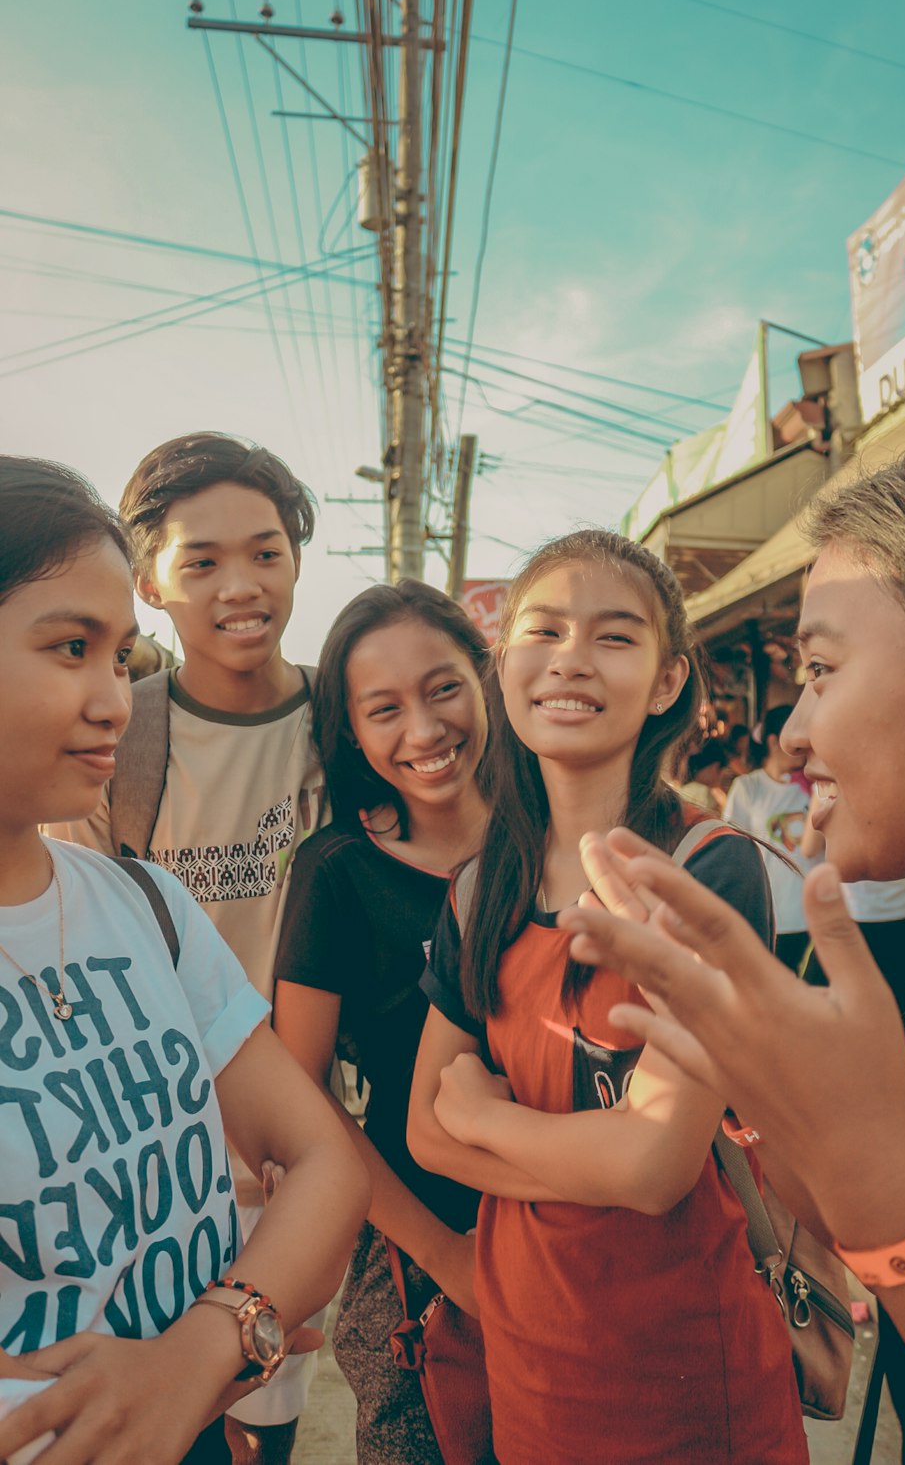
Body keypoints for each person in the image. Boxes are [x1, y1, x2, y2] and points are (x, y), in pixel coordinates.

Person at [556, 428, 905, 1464]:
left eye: (819, 670)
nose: (791, 733)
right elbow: (895, 1261)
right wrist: (755, 1083)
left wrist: (883, 1183)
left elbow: (896, 1223)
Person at [407, 529, 807, 1465]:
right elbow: (426, 1134)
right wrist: (598, 1156)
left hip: (686, 1372)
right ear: (505, 665)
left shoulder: (707, 870)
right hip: (530, 1361)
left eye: (615, 637)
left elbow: (657, 1169)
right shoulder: (479, 889)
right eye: (542, 631)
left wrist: (487, 1119)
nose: (572, 659)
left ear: (667, 683)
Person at [0, 456, 370, 1465]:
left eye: (118, 657)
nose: (112, 700)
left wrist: (213, 1349)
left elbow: (328, 1158)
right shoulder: (143, 772)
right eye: (71, 647)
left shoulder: (144, 908)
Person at [271, 582, 491, 1464]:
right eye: (385, 709)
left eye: (443, 689)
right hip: (416, 1262)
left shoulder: (552, 836)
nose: (425, 731)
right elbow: (300, 1097)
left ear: (486, 681)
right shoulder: (336, 872)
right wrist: (444, 1254)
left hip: (588, 1231)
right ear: (352, 731)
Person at [801, 791, 905, 1023]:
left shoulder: (828, 789)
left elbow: (808, 848)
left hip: (860, 918)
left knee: (821, 1002)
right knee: (898, 1012)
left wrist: (820, 799)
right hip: (904, 913)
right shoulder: (898, 787)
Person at [723, 704, 816, 971]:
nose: (806, 746)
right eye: (800, 738)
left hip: (815, 913)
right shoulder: (748, 787)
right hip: (770, 914)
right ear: (775, 741)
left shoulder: (815, 784)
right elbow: (734, 851)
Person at [676, 736, 726, 814]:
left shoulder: (684, 790)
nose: (721, 778)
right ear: (715, 767)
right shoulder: (703, 793)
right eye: (722, 771)